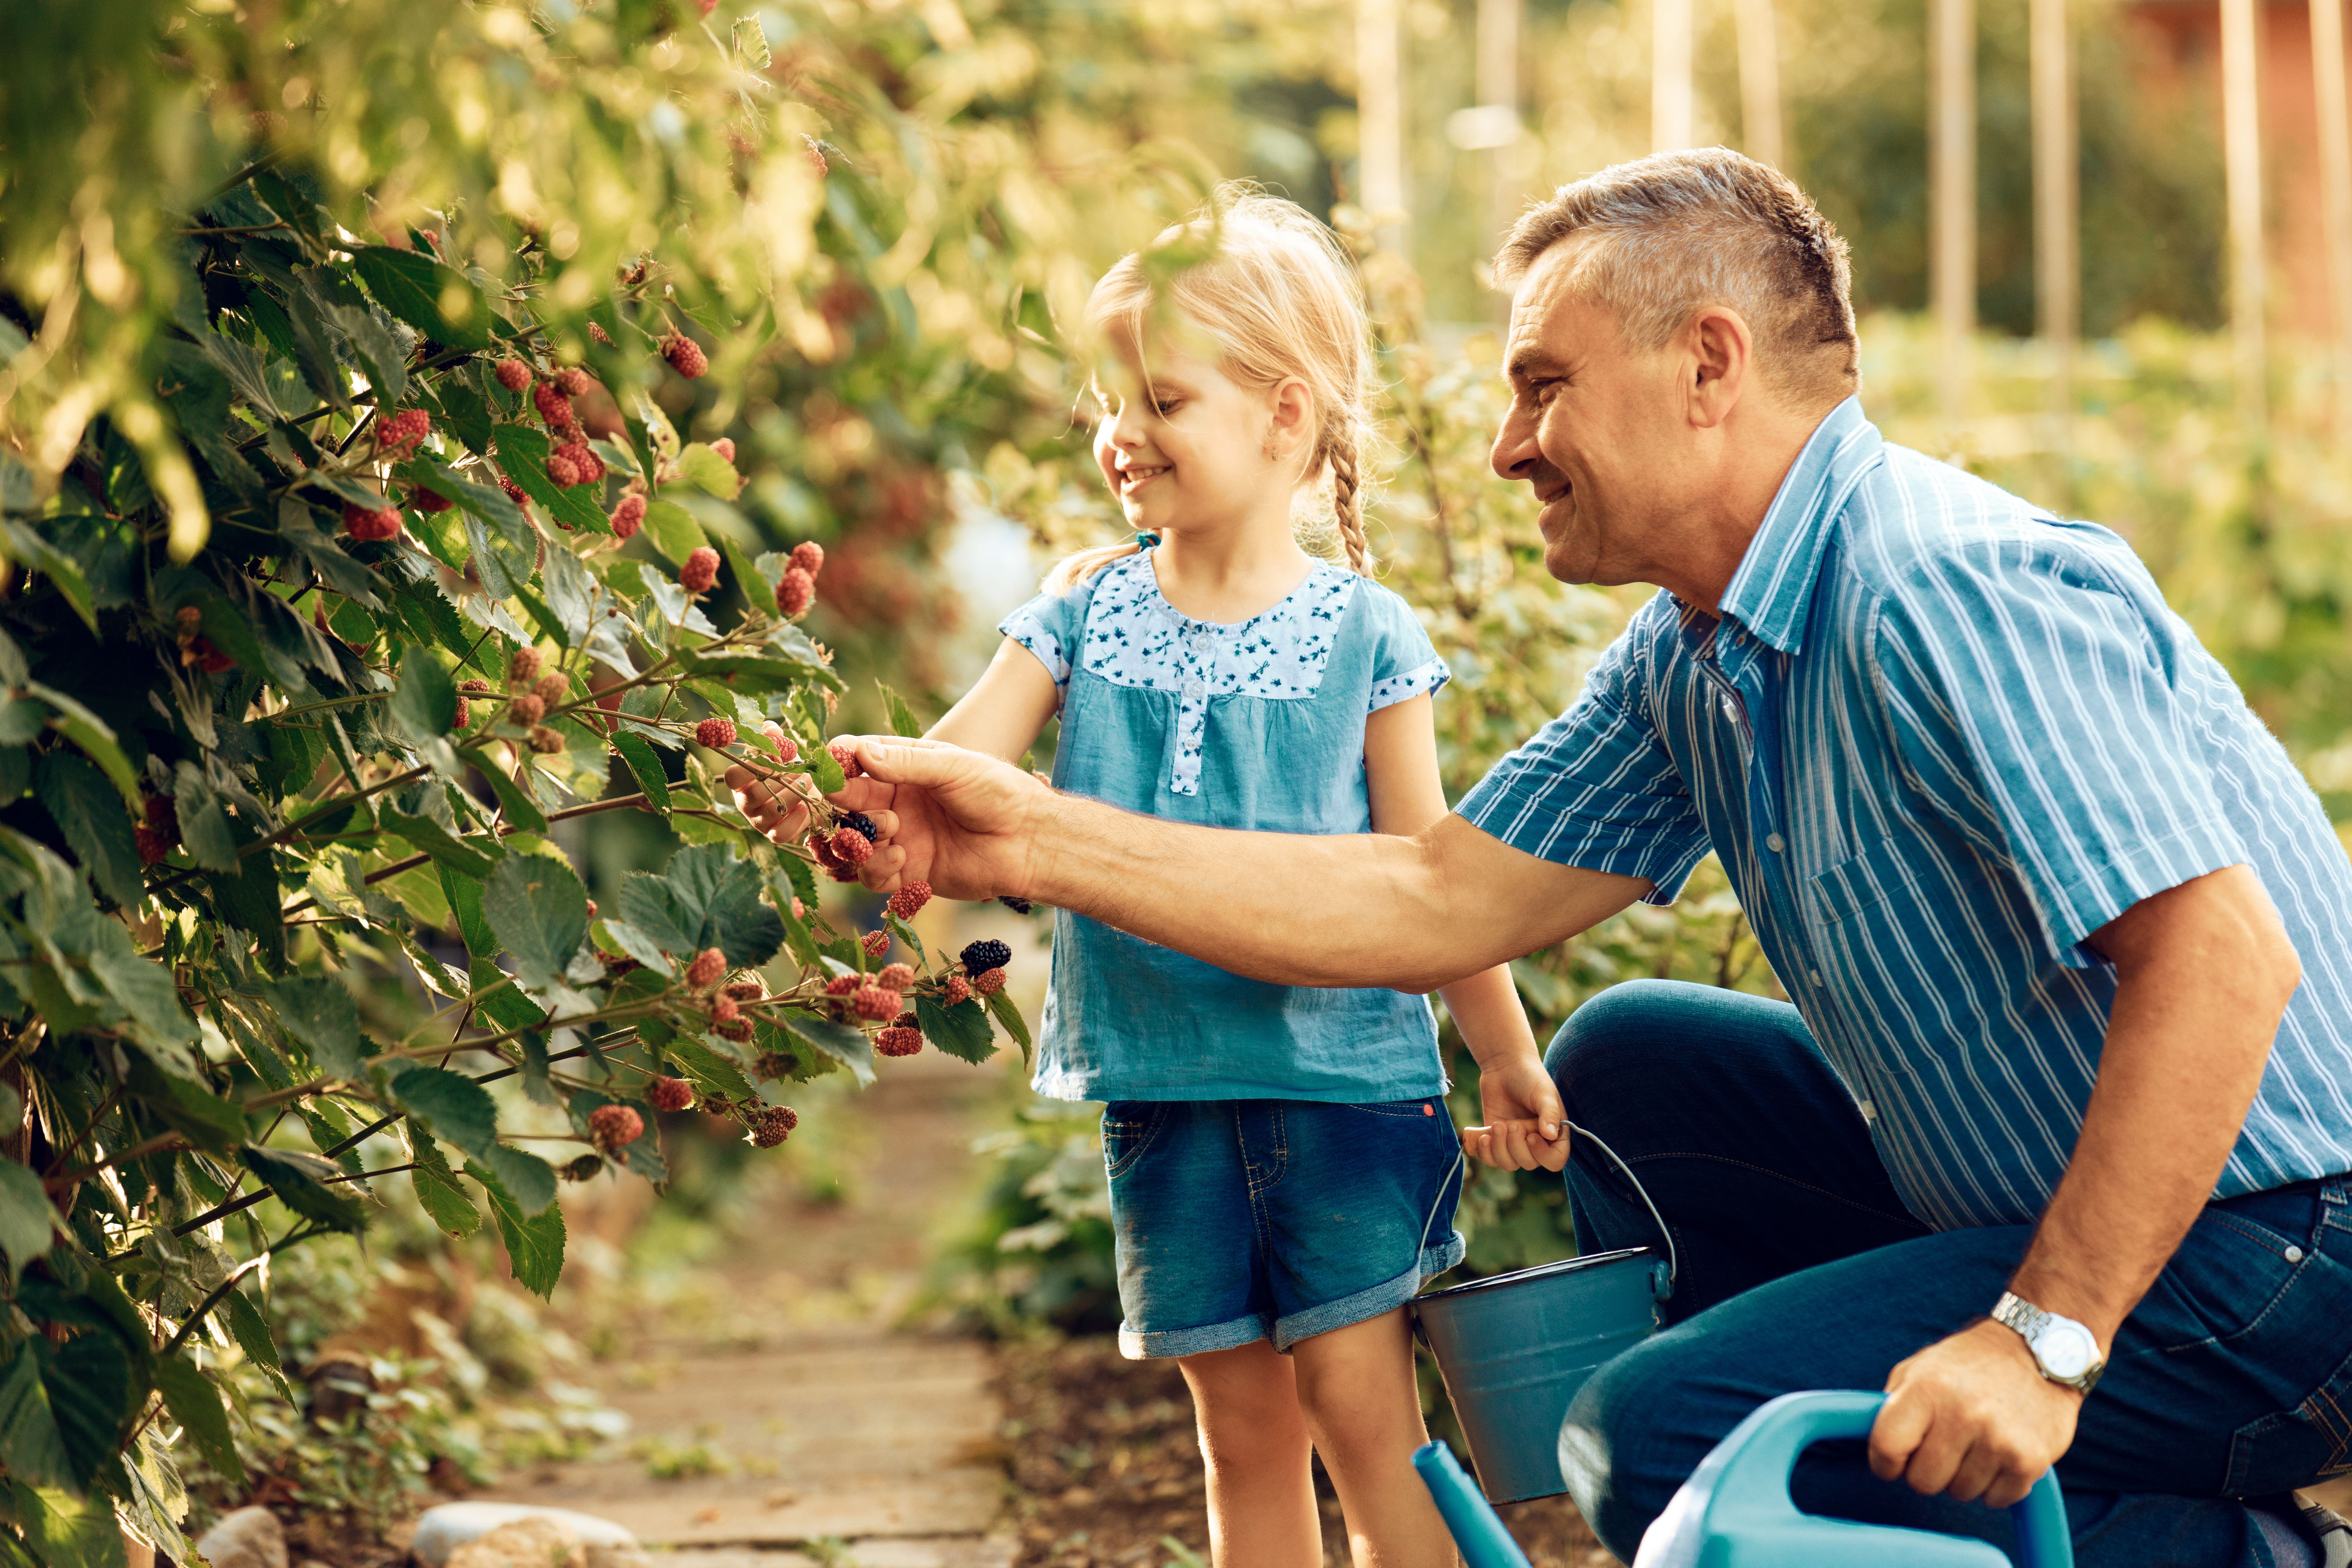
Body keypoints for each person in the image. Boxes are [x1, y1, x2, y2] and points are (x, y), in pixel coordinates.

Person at [736, 150, 2352, 1568]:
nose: (1507, 445)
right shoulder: (1695, 656)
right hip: (2103, 1197)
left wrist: (2038, 1343)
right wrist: (1029, 834)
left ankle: (2232, 1547)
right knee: (1639, 1061)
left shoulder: (1941, 586)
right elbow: (1434, 896)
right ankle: (1966, 1483)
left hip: (2286, 1251)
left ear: (1708, 364)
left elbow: (2227, 964)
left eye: (1541, 384)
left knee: (1659, 1444)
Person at [875, 189, 1560, 1567]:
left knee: (1367, 1416)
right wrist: (858, 797)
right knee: (1238, 1436)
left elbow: (1440, 880)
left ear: (1286, 418)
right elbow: (955, 769)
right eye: (1104, 401)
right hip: (1165, 1087)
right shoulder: (1079, 612)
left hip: (1349, 1088)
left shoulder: (1367, 632)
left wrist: (1506, 1054)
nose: (1118, 433)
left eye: (1160, 399)